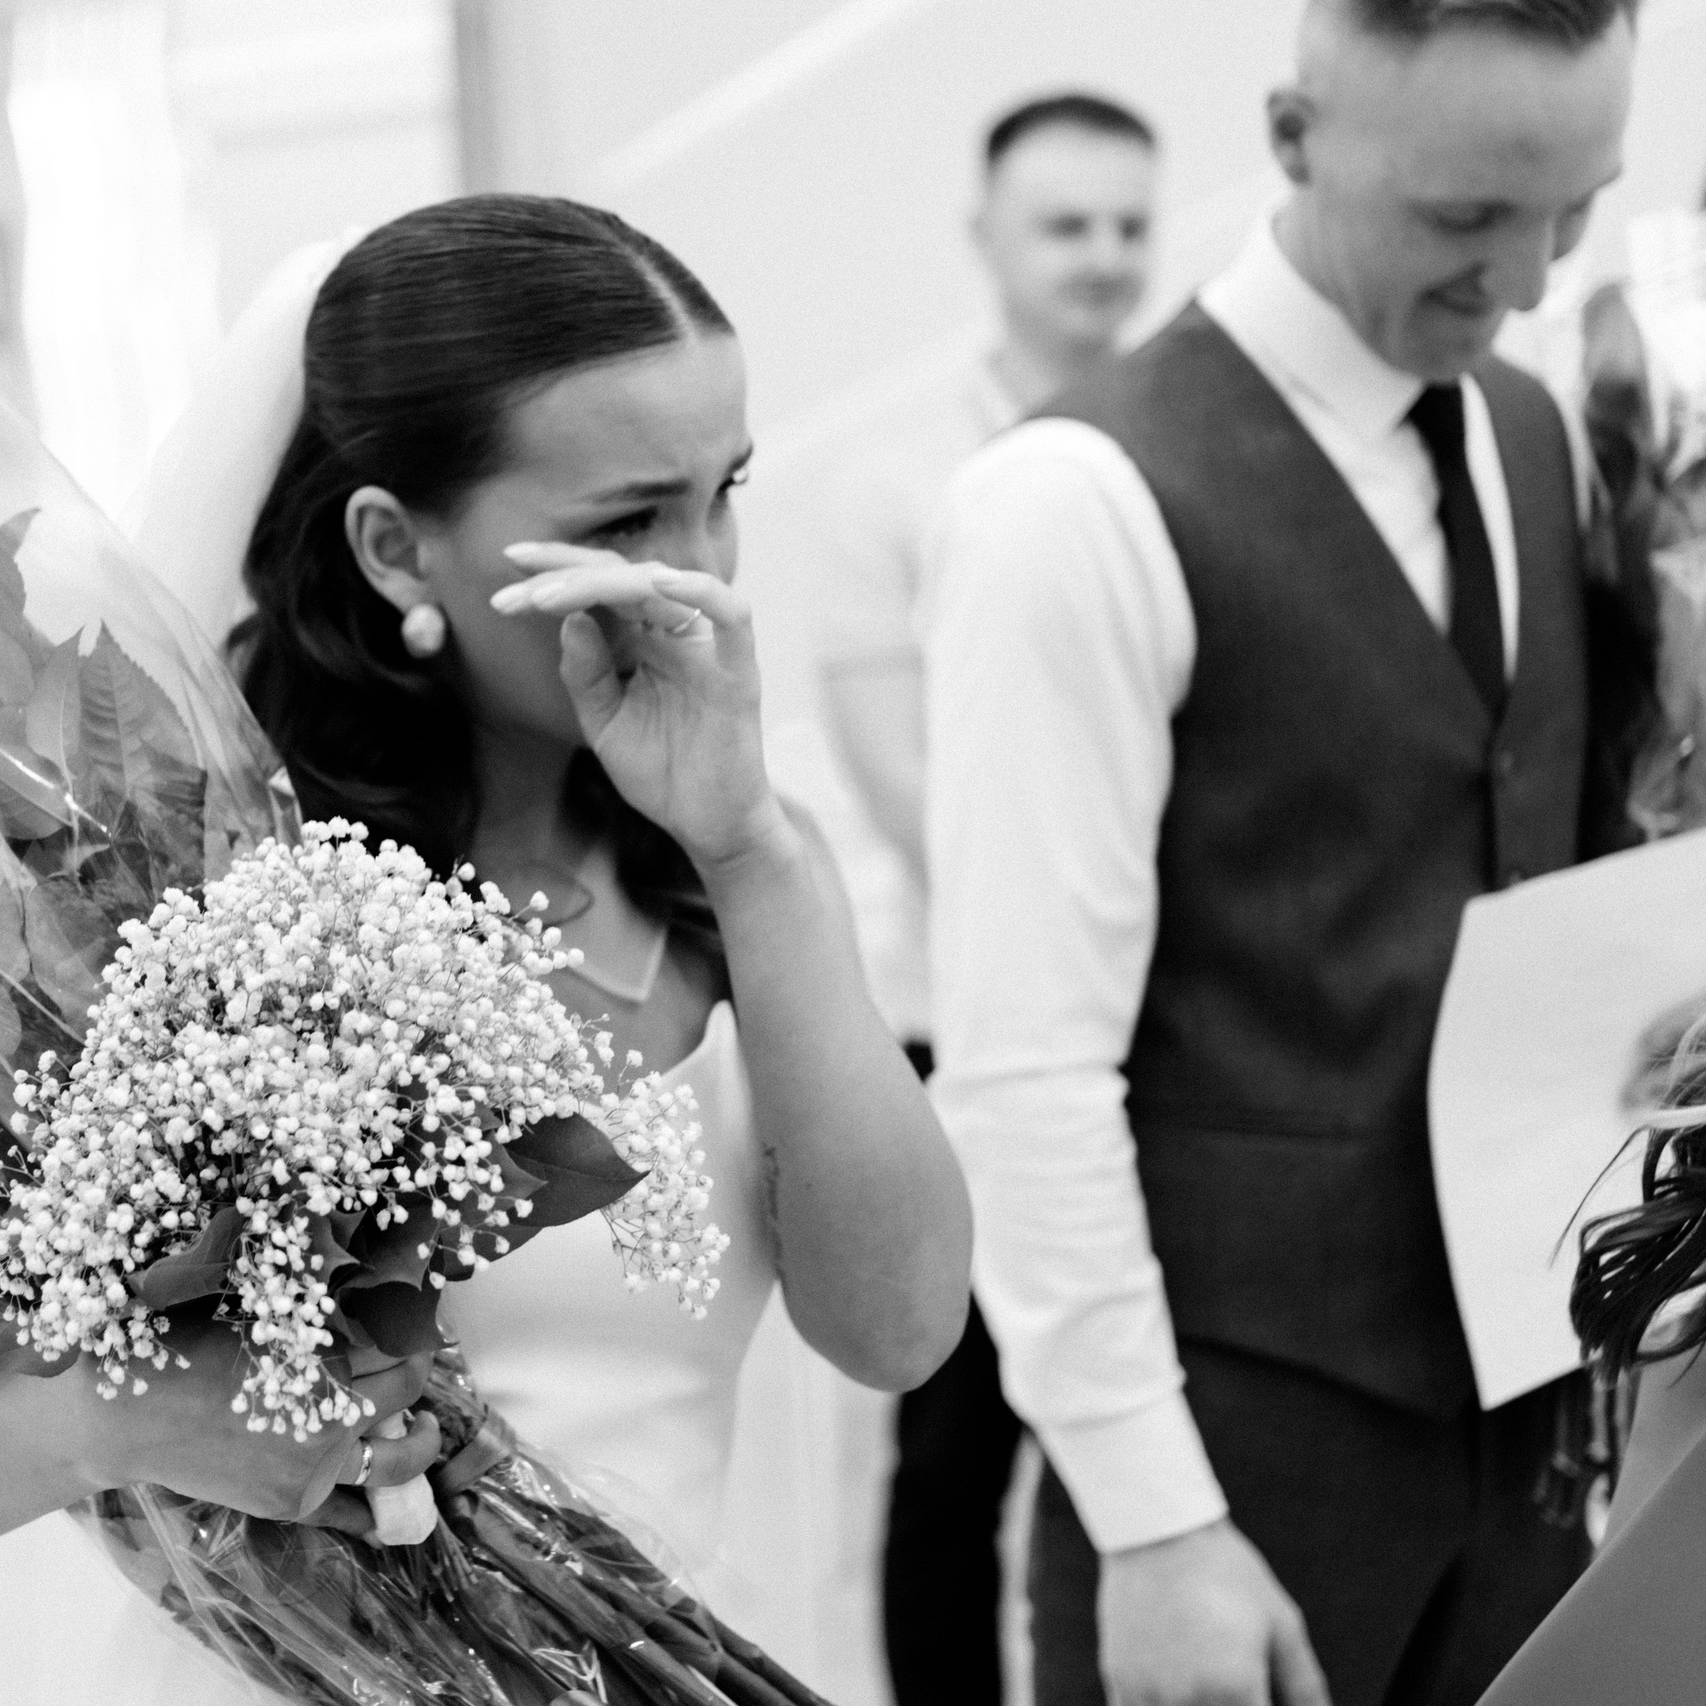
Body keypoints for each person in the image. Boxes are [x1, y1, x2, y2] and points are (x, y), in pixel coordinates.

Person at [0, 193, 975, 1701]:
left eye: (721, 494)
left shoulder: (746, 876)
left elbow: (898, 1328)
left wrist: (747, 848)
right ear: (397, 547)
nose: (696, 581)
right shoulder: (178, 892)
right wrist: (118, 1418)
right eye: (626, 523)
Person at [923, 4, 1638, 1705]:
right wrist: (1156, 1523)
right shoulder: (1072, 502)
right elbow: (1027, 1071)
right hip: (1232, 1468)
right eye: (1465, 216)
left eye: (1574, 208)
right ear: (1295, 137)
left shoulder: (1532, 431)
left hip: (1529, 1462)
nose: (1527, 277)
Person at [751, 88, 1158, 1706]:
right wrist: (1076, 931)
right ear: (986, 237)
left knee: (1144, 1415)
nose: (1103, 256)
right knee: (960, 1441)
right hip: (960, 1019)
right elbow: (906, 781)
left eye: (1130, 224)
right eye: (1067, 224)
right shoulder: (894, 477)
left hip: (1167, 1016)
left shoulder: (1176, 445)